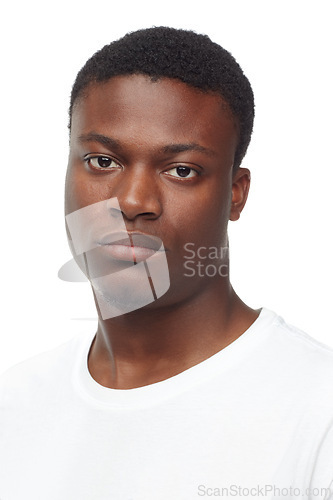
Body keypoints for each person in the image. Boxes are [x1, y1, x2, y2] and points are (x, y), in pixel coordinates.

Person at [0, 26, 332, 500]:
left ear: (235, 195)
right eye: (102, 161)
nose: (133, 200)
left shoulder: (318, 415)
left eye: (181, 170)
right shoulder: (15, 405)